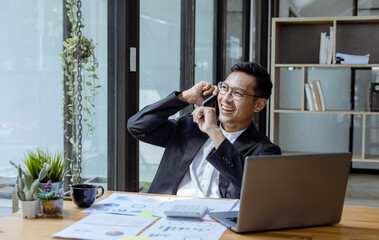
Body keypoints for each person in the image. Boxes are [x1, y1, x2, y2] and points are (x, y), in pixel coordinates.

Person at [127, 62, 281, 199]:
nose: (226, 98)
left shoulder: (264, 151)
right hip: (166, 211)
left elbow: (255, 190)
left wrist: (214, 132)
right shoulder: (190, 126)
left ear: (259, 105)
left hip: (219, 223)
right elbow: (138, 126)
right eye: (225, 88)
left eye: (237, 93)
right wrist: (186, 97)